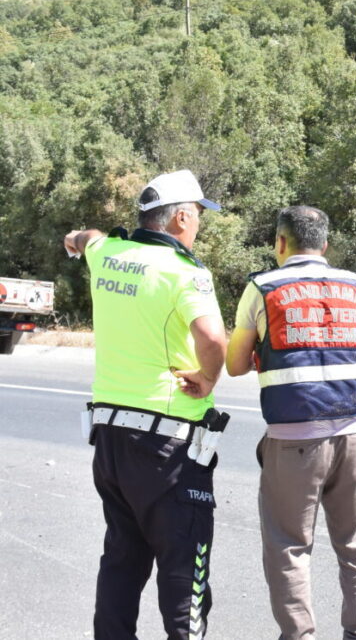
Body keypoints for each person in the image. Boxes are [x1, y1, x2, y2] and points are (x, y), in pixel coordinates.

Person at [63, 169, 228, 640]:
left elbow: (88, 237)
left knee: (122, 561)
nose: (197, 225)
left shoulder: (109, 253)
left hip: (110, 442)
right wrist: (206, 377)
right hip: (168, 446)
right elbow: (213, 338)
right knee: (184, 574)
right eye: (197, 216)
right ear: (179, 218)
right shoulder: (186, 273)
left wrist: (73, 239)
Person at [225, 205, 356, 640]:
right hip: (353, 435)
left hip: (292, 439)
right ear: (325, 244)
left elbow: (235, 364)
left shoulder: (263, 287)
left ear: (280, 243)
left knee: (289, 547)